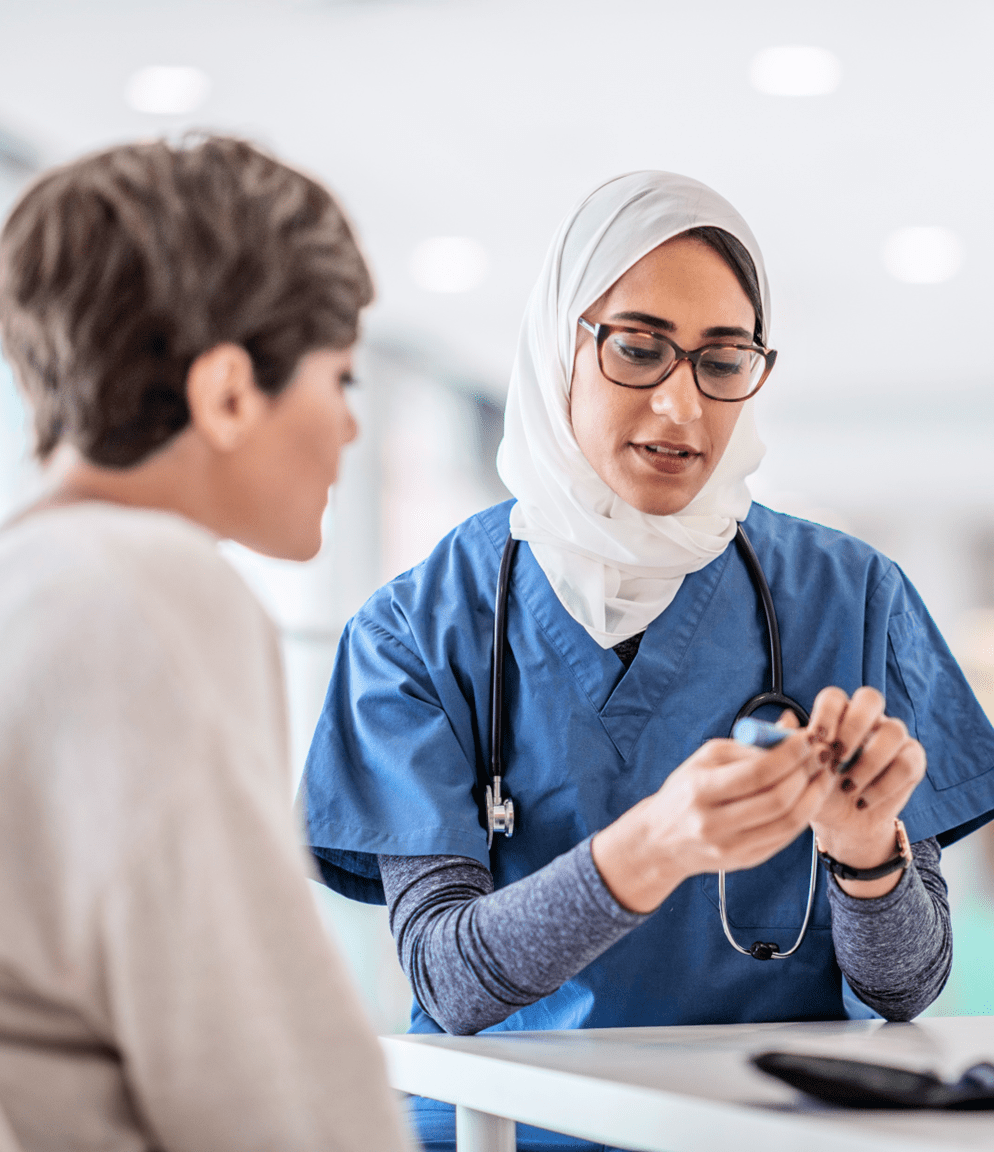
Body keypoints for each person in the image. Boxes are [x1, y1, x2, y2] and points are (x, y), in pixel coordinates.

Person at [301, 172, 994, 1151]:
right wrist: (658, 844)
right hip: (511, 1132)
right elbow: (448, 982)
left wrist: (868, 856)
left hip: (768, 1131)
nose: (680, 409)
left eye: (723, 360)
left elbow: (906, 986)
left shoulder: (851, 598)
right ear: (558, 352)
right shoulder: (418, 628)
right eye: (637, 349)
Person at [0, 136, 410, 1152]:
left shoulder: (33, 582)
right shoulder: (142, 588)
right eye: (341, 382)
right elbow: (266, 1085)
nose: (349, 433)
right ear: (228, 392)